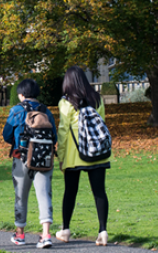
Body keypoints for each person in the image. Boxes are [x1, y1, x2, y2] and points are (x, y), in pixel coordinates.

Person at [55, 66, 110, 246]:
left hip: (74, 155)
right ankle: (102, 231)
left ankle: (65, 229)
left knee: (70, 192)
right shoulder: (97, 99)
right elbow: (102, 123)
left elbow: (63, 132)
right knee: (99, 191)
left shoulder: (66, 102)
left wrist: (61, 156)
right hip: (98, 154)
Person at [2, 79, 57, 248]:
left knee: (21, 196)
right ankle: (46, 234)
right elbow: (54, 136)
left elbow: (6, 135)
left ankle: (20, 234)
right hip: (44, 159)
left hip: (21, 158)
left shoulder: (16, 111)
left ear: (21, 95)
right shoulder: (46, 111)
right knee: (44, 194)